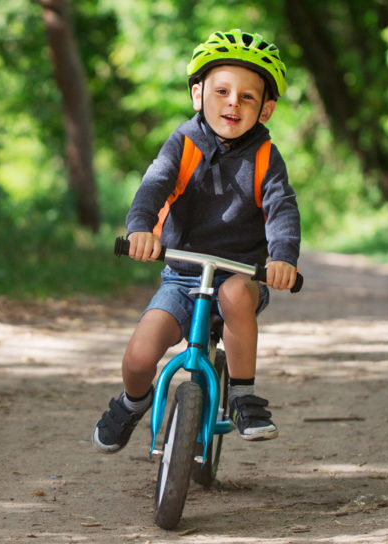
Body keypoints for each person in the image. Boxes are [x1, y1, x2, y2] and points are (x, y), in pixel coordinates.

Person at [93, 29, 301, 453]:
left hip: (240, 274)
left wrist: (283, 258)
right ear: (197, 94)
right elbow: (154, 185)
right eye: (222, 91)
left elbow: (282, 210)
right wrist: (140, 230)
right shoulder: (183, 143)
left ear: (267, 109)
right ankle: (135, 400)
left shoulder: (266, 158)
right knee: (138, 356)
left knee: (236, 293)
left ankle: (243, 396)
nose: (232, 103)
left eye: (248, 97)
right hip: (182, 276)